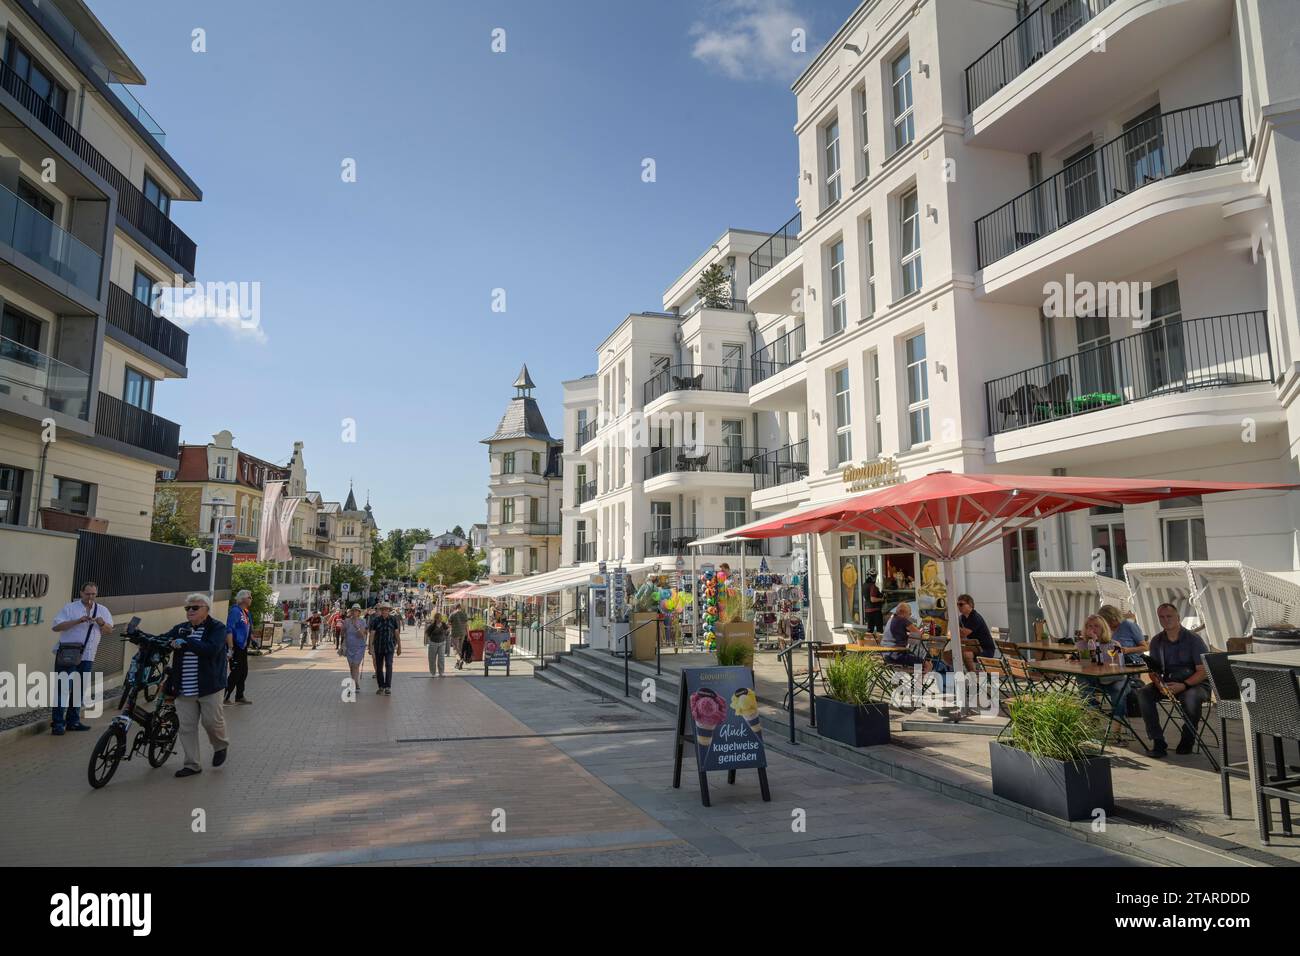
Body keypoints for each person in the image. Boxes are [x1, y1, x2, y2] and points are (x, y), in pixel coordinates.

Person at [163, 593, 230, 777]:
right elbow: (164, 639)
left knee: (211, 722)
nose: (190, 611)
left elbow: (211, 649)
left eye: (195, 608)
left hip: (210, 686)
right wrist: (140, 636)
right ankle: (192, 764)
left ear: (206, 610)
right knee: (186, 727)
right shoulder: (181, 629)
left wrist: (187, 642)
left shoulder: (217, 628)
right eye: (188, 608)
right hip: (184, 687)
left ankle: (220, 745)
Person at [1136, 603, 1211, 757]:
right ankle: (1158, 741)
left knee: (1190, 697)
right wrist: (1159, 685)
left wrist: (1183, 685)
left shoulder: (1193, 639)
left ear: (1178, 617)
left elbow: (1203, 671)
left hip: (1195, 683)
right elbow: (1153, 670)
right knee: (1143, 693)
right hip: (1169, 682)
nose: (1165, 619)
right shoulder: (1157, 640)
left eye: (1169, 616)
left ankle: (1188, 739)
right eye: (1161, 617)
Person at [50, 581, 113, 735]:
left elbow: (109, 630)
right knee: (63, 689)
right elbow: (55, 626)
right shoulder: (70, 608)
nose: (90, 596)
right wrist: (77, 621)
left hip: (88, 656)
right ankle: (58, 723)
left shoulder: (102, 610)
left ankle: (73, 721)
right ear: (81, 593)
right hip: (69, 655)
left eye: (93, 594)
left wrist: (102, 623)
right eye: (87, 593)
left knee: (78, 689)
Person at [882, 602, 931, 672]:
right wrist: (923, 630)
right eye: (910, 613)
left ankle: (917, 681)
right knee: (927, 664)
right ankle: (919, 682)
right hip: (897, 656)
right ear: (903, 612)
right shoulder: (902, 619)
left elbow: (896, 634)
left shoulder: (891, 619)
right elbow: (918, 633)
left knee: (916, 659)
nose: (910, 616)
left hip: (886, 656)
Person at [224, 589, 254, 705]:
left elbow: (247, 628)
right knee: (236, 672)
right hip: (236, 645)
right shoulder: (235, 611)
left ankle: (239, 696)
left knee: (243, 672)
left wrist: (251, 639)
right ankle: (225, 696)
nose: (251, 599)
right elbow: (229, 629)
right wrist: (231, 647)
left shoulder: (245, 612)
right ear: (243, 599)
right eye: (249, 597)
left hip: (243, 646)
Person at [369, 602, 402, 695]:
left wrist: (399, 646)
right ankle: (381, 686)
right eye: (383, 609)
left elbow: (396, 633)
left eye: (386, 609)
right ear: (381, 610)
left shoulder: (393, 620)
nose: (384, 611)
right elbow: (372, 634)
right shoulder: (376, 620)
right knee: (379, 668)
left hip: (389, 647)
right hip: (378, 647)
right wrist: (370, 647)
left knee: (389, 665)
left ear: (389, 610)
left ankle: (387, 687)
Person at [956, 594, 995, 670]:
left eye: (961, 604)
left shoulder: (975, 617)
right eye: (957, 604)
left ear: (970, 605)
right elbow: (959, 634)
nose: (958, 607)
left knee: (966, 654)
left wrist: (955, 627)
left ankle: (973, 677)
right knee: (948, 655)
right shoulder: (962, 618)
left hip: (985, 650)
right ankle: (958, 675)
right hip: (973, 648)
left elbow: (963, 634)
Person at [339, 604, 368, 689]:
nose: (355, 612)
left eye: (356, 611)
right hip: (349, 647)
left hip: (359, 647)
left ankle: (354, 684)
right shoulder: (347, 621)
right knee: (352, 666)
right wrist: (343, 630)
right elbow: (342, 633)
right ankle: (355, 681)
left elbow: (361, 635)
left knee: (355, 665)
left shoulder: (362, 621)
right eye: (353, 610)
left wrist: (356, 626)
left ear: (359, 612)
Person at [425, 612, 450, 677]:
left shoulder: (443, 624)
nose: (439, 620)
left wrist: (447, 631)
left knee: (441, 658)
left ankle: (441, 672)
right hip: (433, 643)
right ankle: (433, 673)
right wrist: (430, 639)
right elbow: (427, 633)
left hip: (442, 643)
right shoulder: (432, 625)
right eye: (438, 619)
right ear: (435, 619)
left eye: (440, 618)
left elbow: (447, 631)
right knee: (432, 658)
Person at [449, 602, 470, 671]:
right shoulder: (464, 614)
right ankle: (458, 664)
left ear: (455, 607)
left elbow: (449, 624)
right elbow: (467, 625)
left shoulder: (452, 614)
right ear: (460, 607)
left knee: (455, 649)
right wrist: (468, 635)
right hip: (463, 633)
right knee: (460, 648)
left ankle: (460, 660)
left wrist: (450, 630)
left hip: (455, 633)